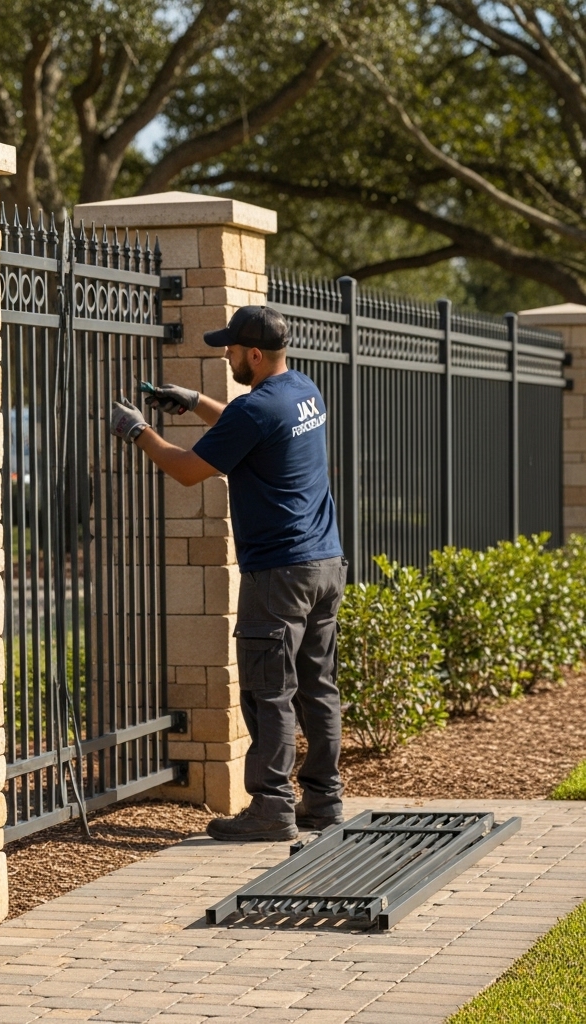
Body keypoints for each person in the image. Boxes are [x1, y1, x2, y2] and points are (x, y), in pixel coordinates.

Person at [108, 305, 346, 843]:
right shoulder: (304, 390)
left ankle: (270, 807)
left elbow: (189, 470)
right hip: (325, 564)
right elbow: (248, 430)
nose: (226, 355)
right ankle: (324, 800)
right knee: (317, 688)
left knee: (270, 692)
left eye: (232, 349)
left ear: (255, 355)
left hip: (278, 574)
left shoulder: (256, 409)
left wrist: (138, 430)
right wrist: (194, 402)